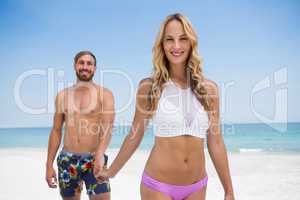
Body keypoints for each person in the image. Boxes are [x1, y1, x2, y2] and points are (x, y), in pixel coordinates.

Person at [96, 13, 235, 200]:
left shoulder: (209, 90)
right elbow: (135, 134)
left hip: (197, 186)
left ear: (191, 43)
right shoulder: (149, 87)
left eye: (183, 39)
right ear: (162, 44)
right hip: (158, 186)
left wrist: (229, 190)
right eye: (170, 39)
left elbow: (216, 141)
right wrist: (112, 171)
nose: (176, 46)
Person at [45, 51, 115, 200]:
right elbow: (56, 130)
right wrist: (49, 165)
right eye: (81, 63)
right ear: (75, 66)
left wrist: (100, 154)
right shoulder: (62, 96)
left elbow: (108, 128)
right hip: (67, 160)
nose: (85, 67)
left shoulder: (105, 94)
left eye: (89, 64)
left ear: (95, 68)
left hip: (94, 159)